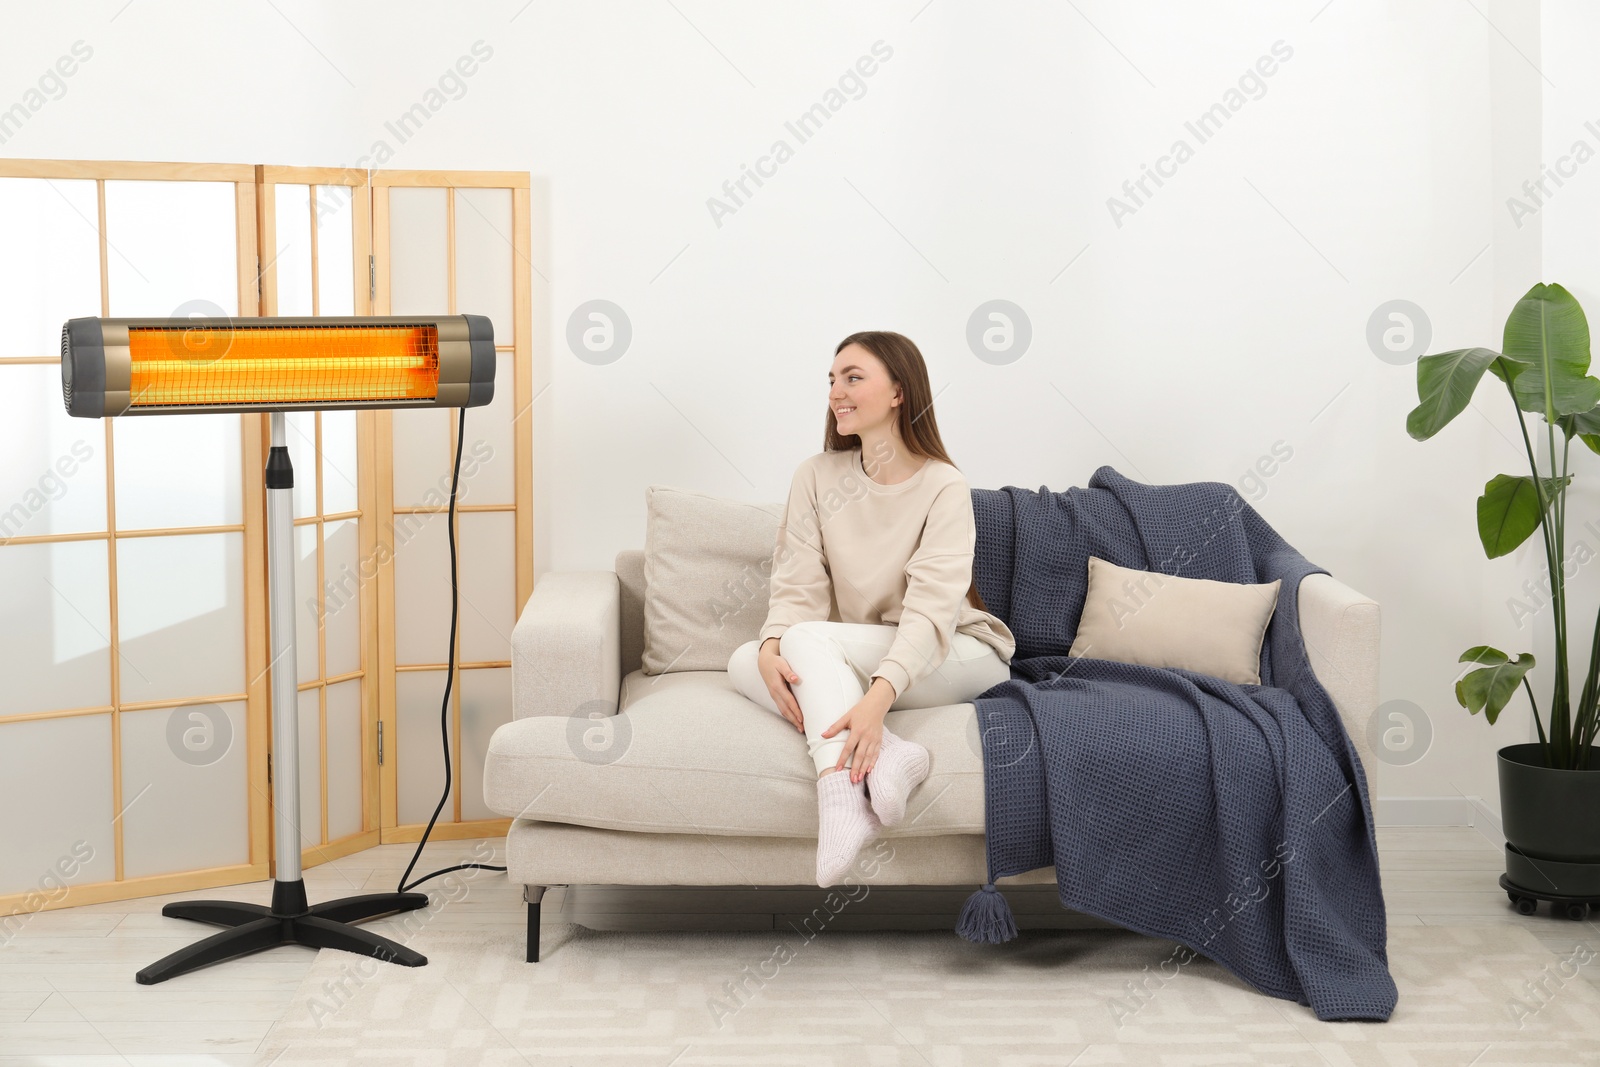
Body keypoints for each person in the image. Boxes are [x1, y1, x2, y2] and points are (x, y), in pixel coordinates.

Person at [726, 330, 1017, 887]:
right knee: (747, 659)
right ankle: (893, 758)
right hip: (862, 648)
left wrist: (876, 704)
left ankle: (839, 796)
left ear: (899, 393)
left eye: (853, 378)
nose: (837, 391)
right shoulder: (815, 475)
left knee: (805, 643)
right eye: (832, 379)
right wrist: (769, 646)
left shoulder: (943, 485)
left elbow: (931, 613)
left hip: (954, 653)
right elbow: (797, 584)